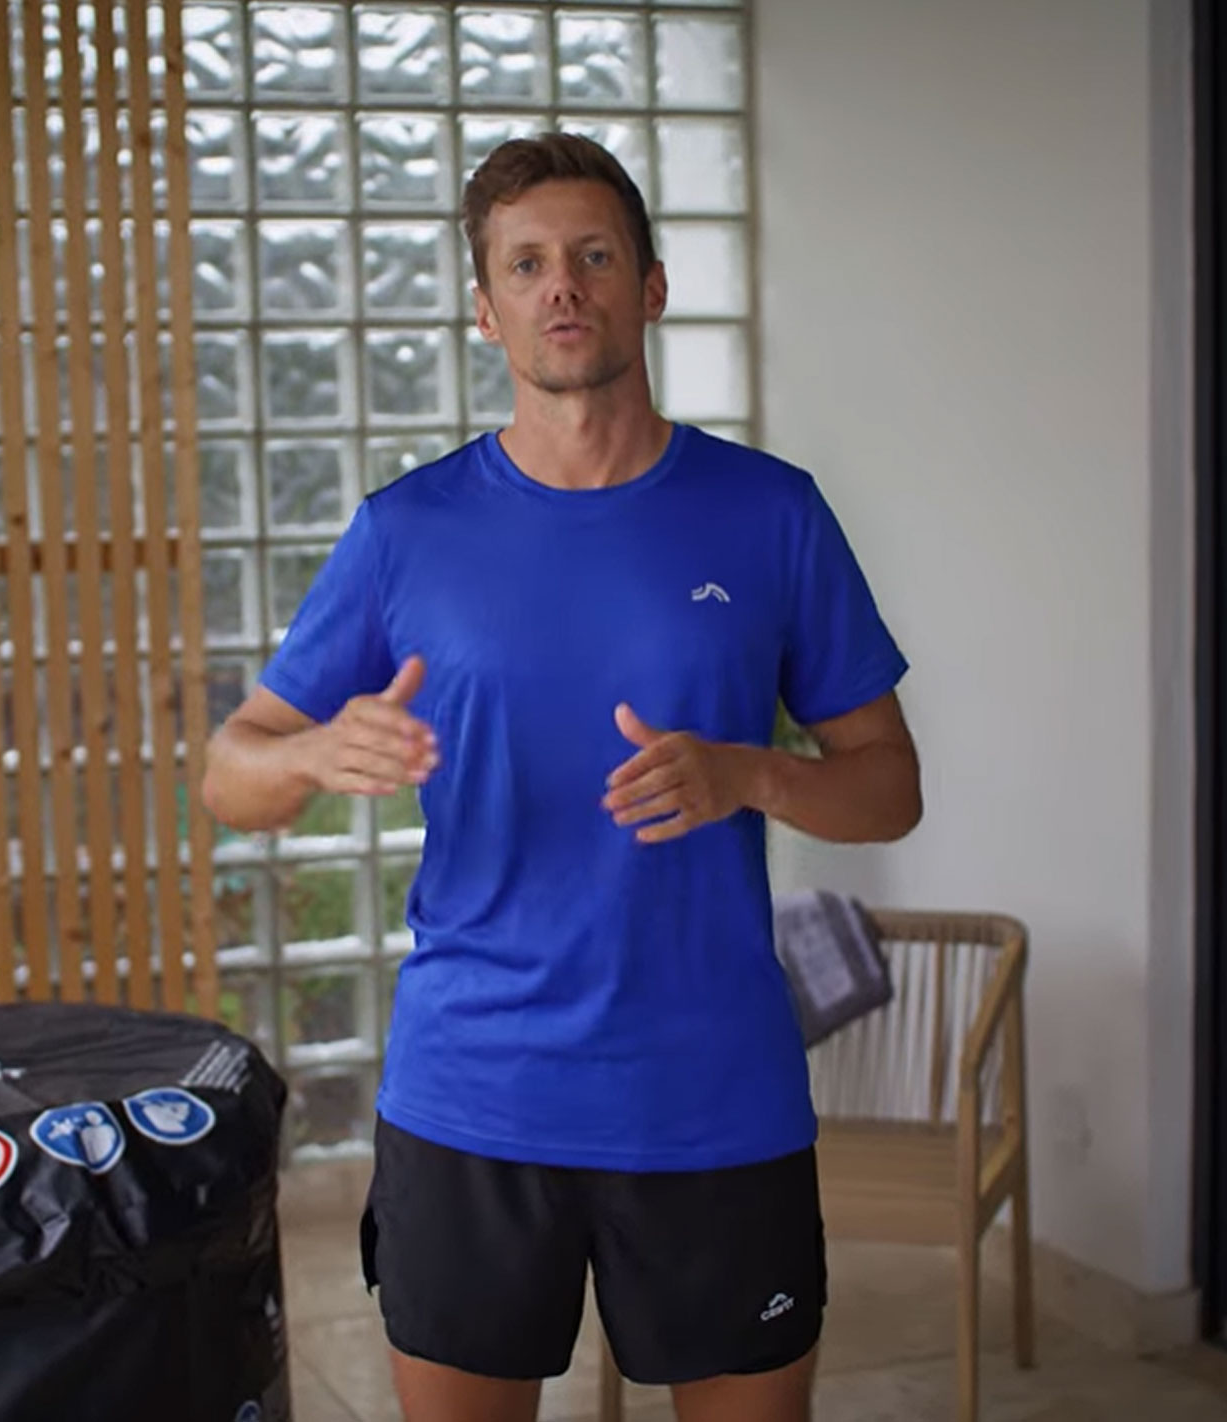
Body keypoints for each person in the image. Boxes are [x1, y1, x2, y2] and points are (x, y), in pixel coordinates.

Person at [199, 133, 921, 1422]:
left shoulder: (771, 514)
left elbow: (887, 786)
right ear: (488, 309)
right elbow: (228, 773)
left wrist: (750, 771)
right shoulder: (405, 531)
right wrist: (314, 752)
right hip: (476, 1094)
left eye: (594, 256)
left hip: (715, 1097)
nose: (562, 287)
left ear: (650, 283)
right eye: (526, 265)